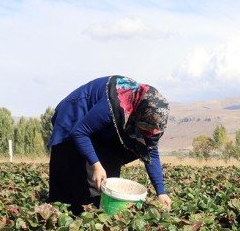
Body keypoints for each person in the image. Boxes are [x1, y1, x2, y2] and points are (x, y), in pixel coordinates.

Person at [47, 75, 172, 214]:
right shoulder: (115, 104)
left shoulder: (154, 121)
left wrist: (161, 192)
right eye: (144, 128)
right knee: (71, 172)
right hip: (76, 113)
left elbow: (151, 152)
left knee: (105, 179)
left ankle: (97, 213)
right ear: (137, 114)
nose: (148, 133)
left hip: (104, 132)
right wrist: (96, 164)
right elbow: (80, 132)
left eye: (150, 131)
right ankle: (68, 212)